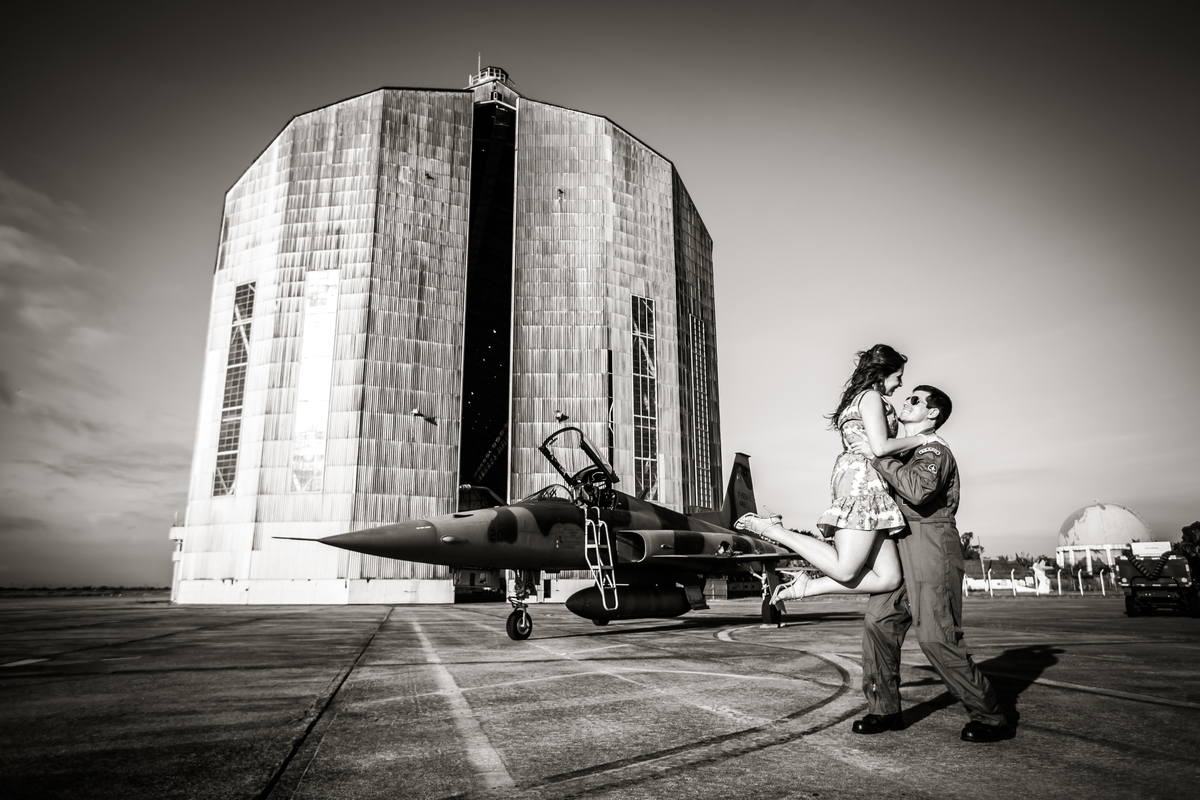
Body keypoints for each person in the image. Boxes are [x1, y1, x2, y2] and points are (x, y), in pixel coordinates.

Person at [850, 385, 1012, 742]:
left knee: (936, 637)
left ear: (933, 413)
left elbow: (919, 491)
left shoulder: (933, 450)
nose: (905, 402)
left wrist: (879, 458)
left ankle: (991, 716)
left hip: (931, 542)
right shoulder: (902, 449)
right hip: (899, 543)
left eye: (915, 400)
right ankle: (884, 710)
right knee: (879, 622)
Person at [735, 344, 929, 602]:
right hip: (863, 483)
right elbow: (881, 447)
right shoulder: (871, 397)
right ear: (883, 373)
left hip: (863, 480)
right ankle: (774, 530)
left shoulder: (857, 398)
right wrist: (923, 439)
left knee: (890, 577)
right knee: (845, 569)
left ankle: (807, 587)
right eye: (898, 376)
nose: (901, 383)